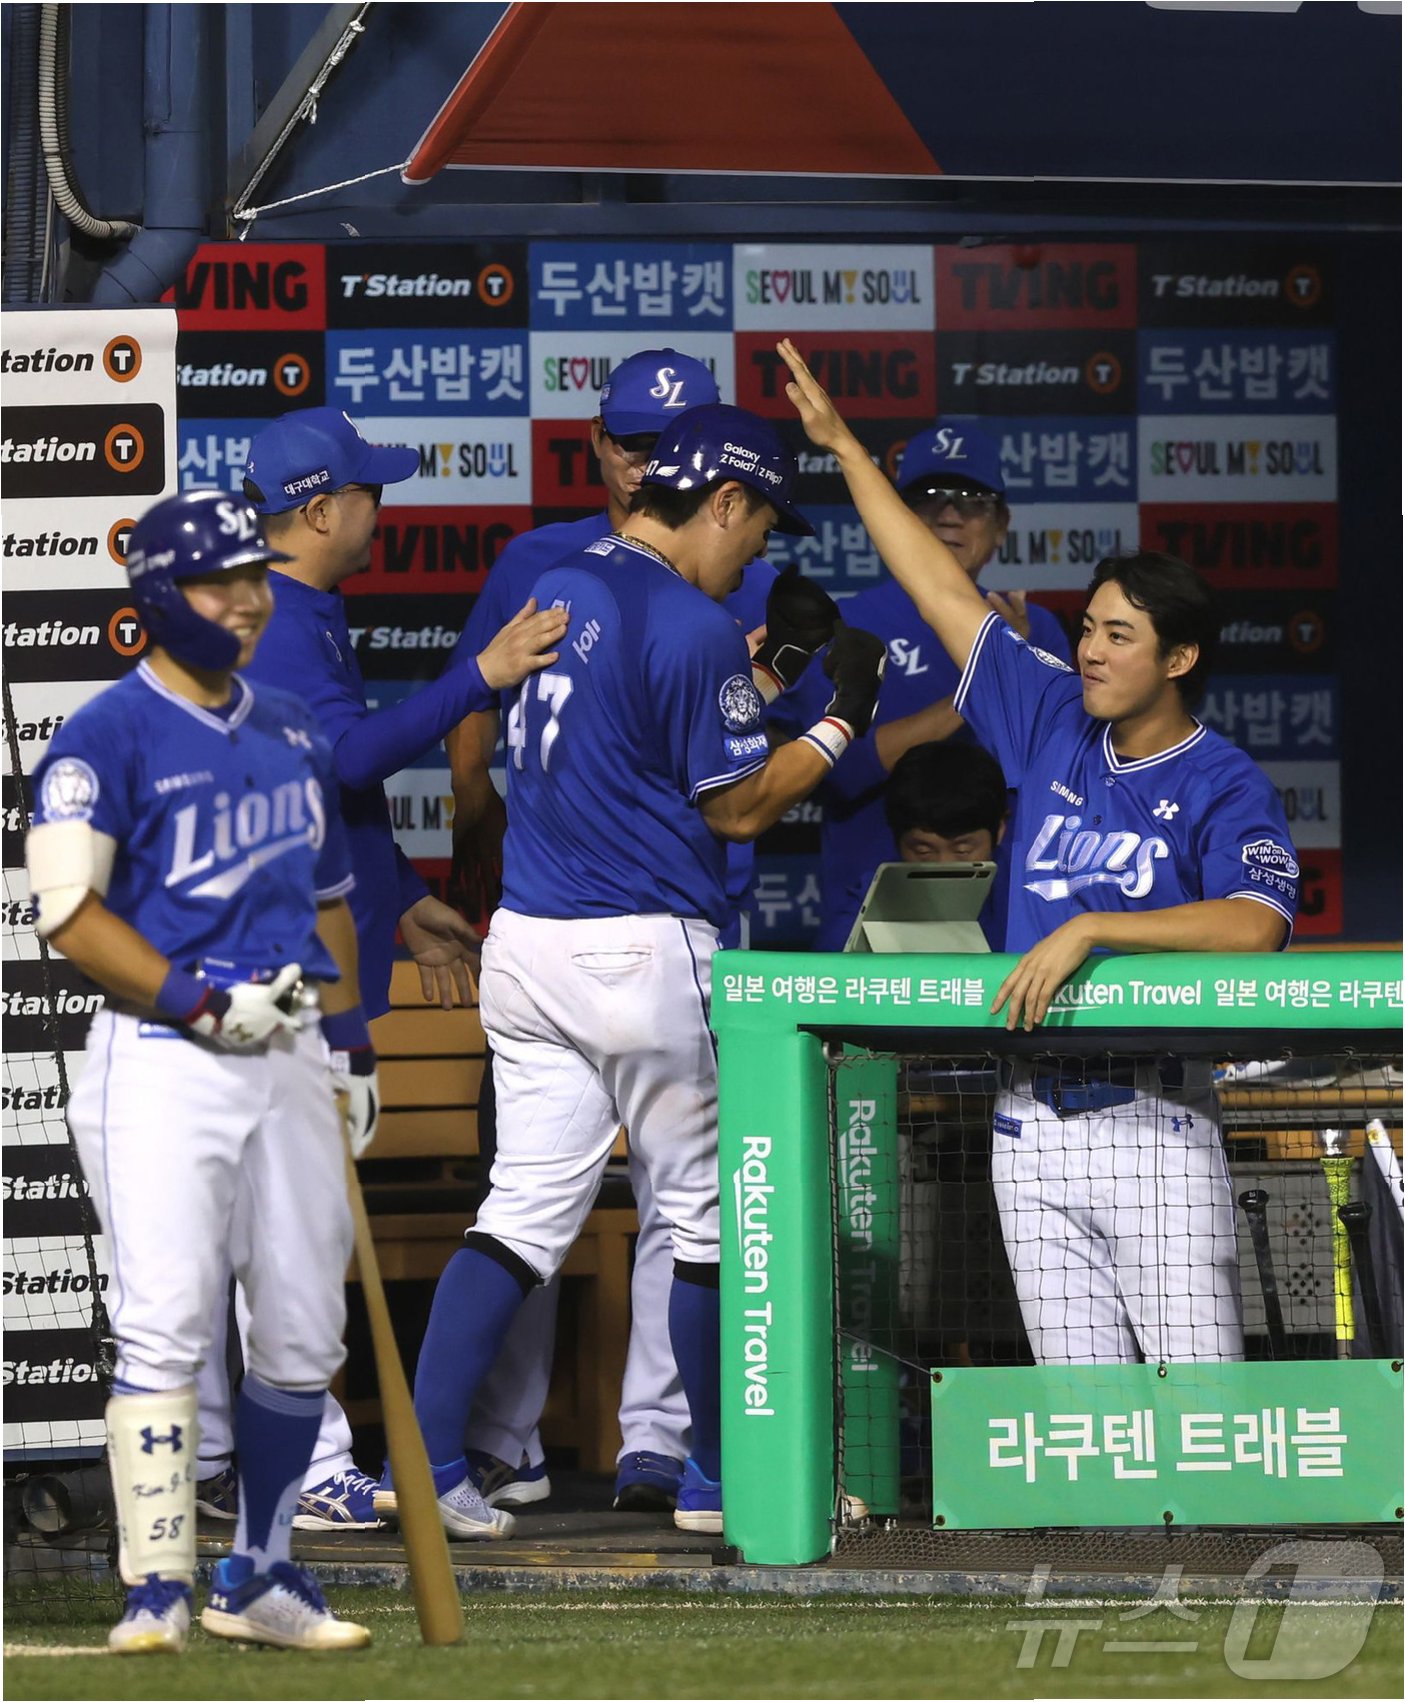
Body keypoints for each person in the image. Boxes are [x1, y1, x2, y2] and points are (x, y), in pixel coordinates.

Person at [377, 402, 885, 1539]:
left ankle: (430, 1462)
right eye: (759, 525)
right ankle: (718, 1478)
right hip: (641, 950)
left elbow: (643, 719)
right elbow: (738, 809)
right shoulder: (692, 623)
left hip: (528, 944)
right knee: (705, 1220)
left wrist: (762, 675)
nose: (756, 553)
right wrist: (842, 719)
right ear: (723, 500)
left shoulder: (563, 582)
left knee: (519, 1216)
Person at [778, 338, 1299, 1367]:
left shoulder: (1222, 777)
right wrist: (842, 449)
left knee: (1199, 1399)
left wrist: (1093, 928)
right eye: (1089, 628)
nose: (1089, 650)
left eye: (1118, 637)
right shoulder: (1049, 713)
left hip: (1155, 1117)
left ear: (1179, 658)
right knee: (1080, 1408)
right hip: (1028, 1123)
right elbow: (936, 585)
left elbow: (1256, 925)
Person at [189, 407, 568, 1531]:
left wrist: (402, 902)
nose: (381, 509)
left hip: (305, 957)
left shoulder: (301, 608)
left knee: (267, 1224)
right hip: (276, 966)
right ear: (320, 511)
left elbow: (332, 798)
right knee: (283, 1226)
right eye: (369, 492)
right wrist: (479, 675)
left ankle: (234, 1456)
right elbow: (349, 758)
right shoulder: (277, 616)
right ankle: (300, 1462)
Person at [25, 490, 375, 1652]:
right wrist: (201, 1001)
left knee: (302, 1329)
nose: (248, 599)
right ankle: (157, 1584)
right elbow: (69, 913)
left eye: (256, 577)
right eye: (222, 581)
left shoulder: (291, 727)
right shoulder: (103, 735)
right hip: (164, 1055)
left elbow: (329, 902)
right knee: (167, 1321)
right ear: (161, 596)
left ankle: (261, 1574)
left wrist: (352, 1043)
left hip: (288, 1050)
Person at [771, 419, 1070, 951]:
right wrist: (997, 669)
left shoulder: (1037, 630)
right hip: (873, 919)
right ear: (896, 517)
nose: (950, 514)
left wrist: (1020, 662)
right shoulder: (849, 626)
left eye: (972, 500)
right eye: (929, 498)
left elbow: (1065, 778)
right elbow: (842, 771)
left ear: (1001, 524)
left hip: (1014, 925)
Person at [883, 741, 1009, 948]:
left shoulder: (1026, 901)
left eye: (963, 850)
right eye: (923, 851)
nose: (944, 865)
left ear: (1000, 829)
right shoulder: (870, 904)